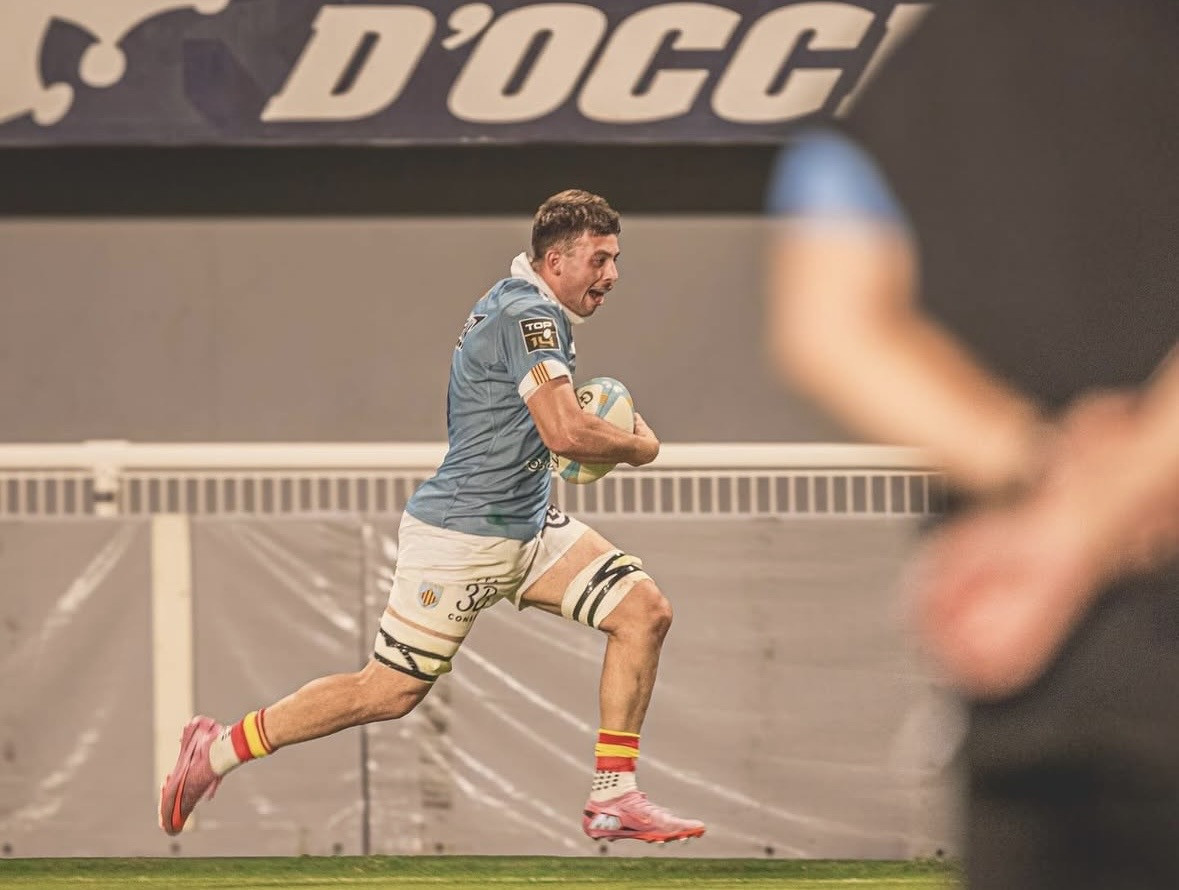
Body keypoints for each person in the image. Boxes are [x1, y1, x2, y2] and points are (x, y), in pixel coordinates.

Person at [765, 1, 1179, 887]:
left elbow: (826, 328)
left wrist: (1040, 480)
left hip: (1030, 680)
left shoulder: (908, 80)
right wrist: (1085, 519)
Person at [159, 189, 705, 845]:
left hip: (527, 527)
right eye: (599, 259)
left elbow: (547, 435)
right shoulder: (527, 315)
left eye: (615, 259)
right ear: (555, 260)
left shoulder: (528, 309)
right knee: (386, 692)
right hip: (462, 536)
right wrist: (639, 448)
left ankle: (613, 797)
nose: (612, 274)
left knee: (642, 611)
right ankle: (217, 749)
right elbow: (564, 433)